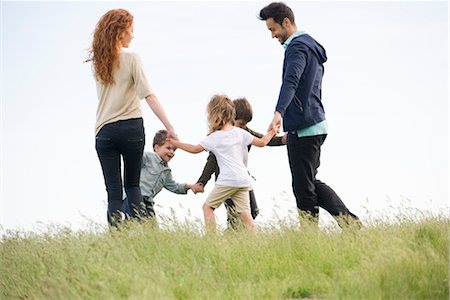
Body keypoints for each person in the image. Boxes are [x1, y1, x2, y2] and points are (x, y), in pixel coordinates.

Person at [258, 2, 361, 228]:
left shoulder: (298, 48)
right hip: (315, 123)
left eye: (273, 29)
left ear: (286, 22)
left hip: (304, 127)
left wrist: (279, 112)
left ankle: (315, 235)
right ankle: (350, 224)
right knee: (309, 183)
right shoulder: (310, 47)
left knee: (303, 188)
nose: (272, 35)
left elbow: (291, 81)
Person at [88, 9, 177, 226]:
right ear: (120, 32)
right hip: (131, 128)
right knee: (133, 186)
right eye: (131, 31)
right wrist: (169, 127)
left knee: (114, 191)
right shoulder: (132, 58)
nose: (132, 36)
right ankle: (141, 237)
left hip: (104, 131)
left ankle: (116, 237)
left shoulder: (98, 62)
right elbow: (149, 96)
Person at [168, 95, 278, 233]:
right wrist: (272, 132)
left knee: (207, 208)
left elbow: (195, 149)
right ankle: (257, 244)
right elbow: (262, 142)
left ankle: (211, 240)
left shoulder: (214, 137)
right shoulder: (240, 133)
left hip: (227, 180)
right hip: (244, 180)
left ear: (214, 115)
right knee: (247, 216)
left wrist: (175, 143)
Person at [196, 97, 285, 229]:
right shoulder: (221, 137)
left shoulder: (244, 132)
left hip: (241, 178)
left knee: (252, 211)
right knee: (234, 215)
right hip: (226, 180)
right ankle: (230, 241)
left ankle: (237, 239)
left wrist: (284, 139)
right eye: (241, 124)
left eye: (246, 124)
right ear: (230, 119)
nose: (244, 127)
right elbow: (211, 162)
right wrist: (202, 182)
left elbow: (264, 140)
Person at [122, 130, 203, 221]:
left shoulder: (166, 171)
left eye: (174, 150)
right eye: (168, 148)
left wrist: (189, 186)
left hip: (148, 203)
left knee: (151, 231)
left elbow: (174, 187)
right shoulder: (148, 157)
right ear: (157, 148)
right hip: (133, 198)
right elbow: (134, 160)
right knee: (134, 225)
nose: (172, 152)